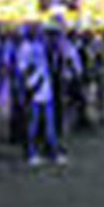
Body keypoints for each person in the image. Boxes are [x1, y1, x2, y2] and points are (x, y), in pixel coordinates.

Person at [19, 29, 64, 165]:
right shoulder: (24, 48)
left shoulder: (40, 46)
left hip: (46, 91)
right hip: (34, 91)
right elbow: (23, 70)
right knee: (33, 125)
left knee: (50, 125)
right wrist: (31, 82)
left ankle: (53, 152)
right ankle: (31, 153)